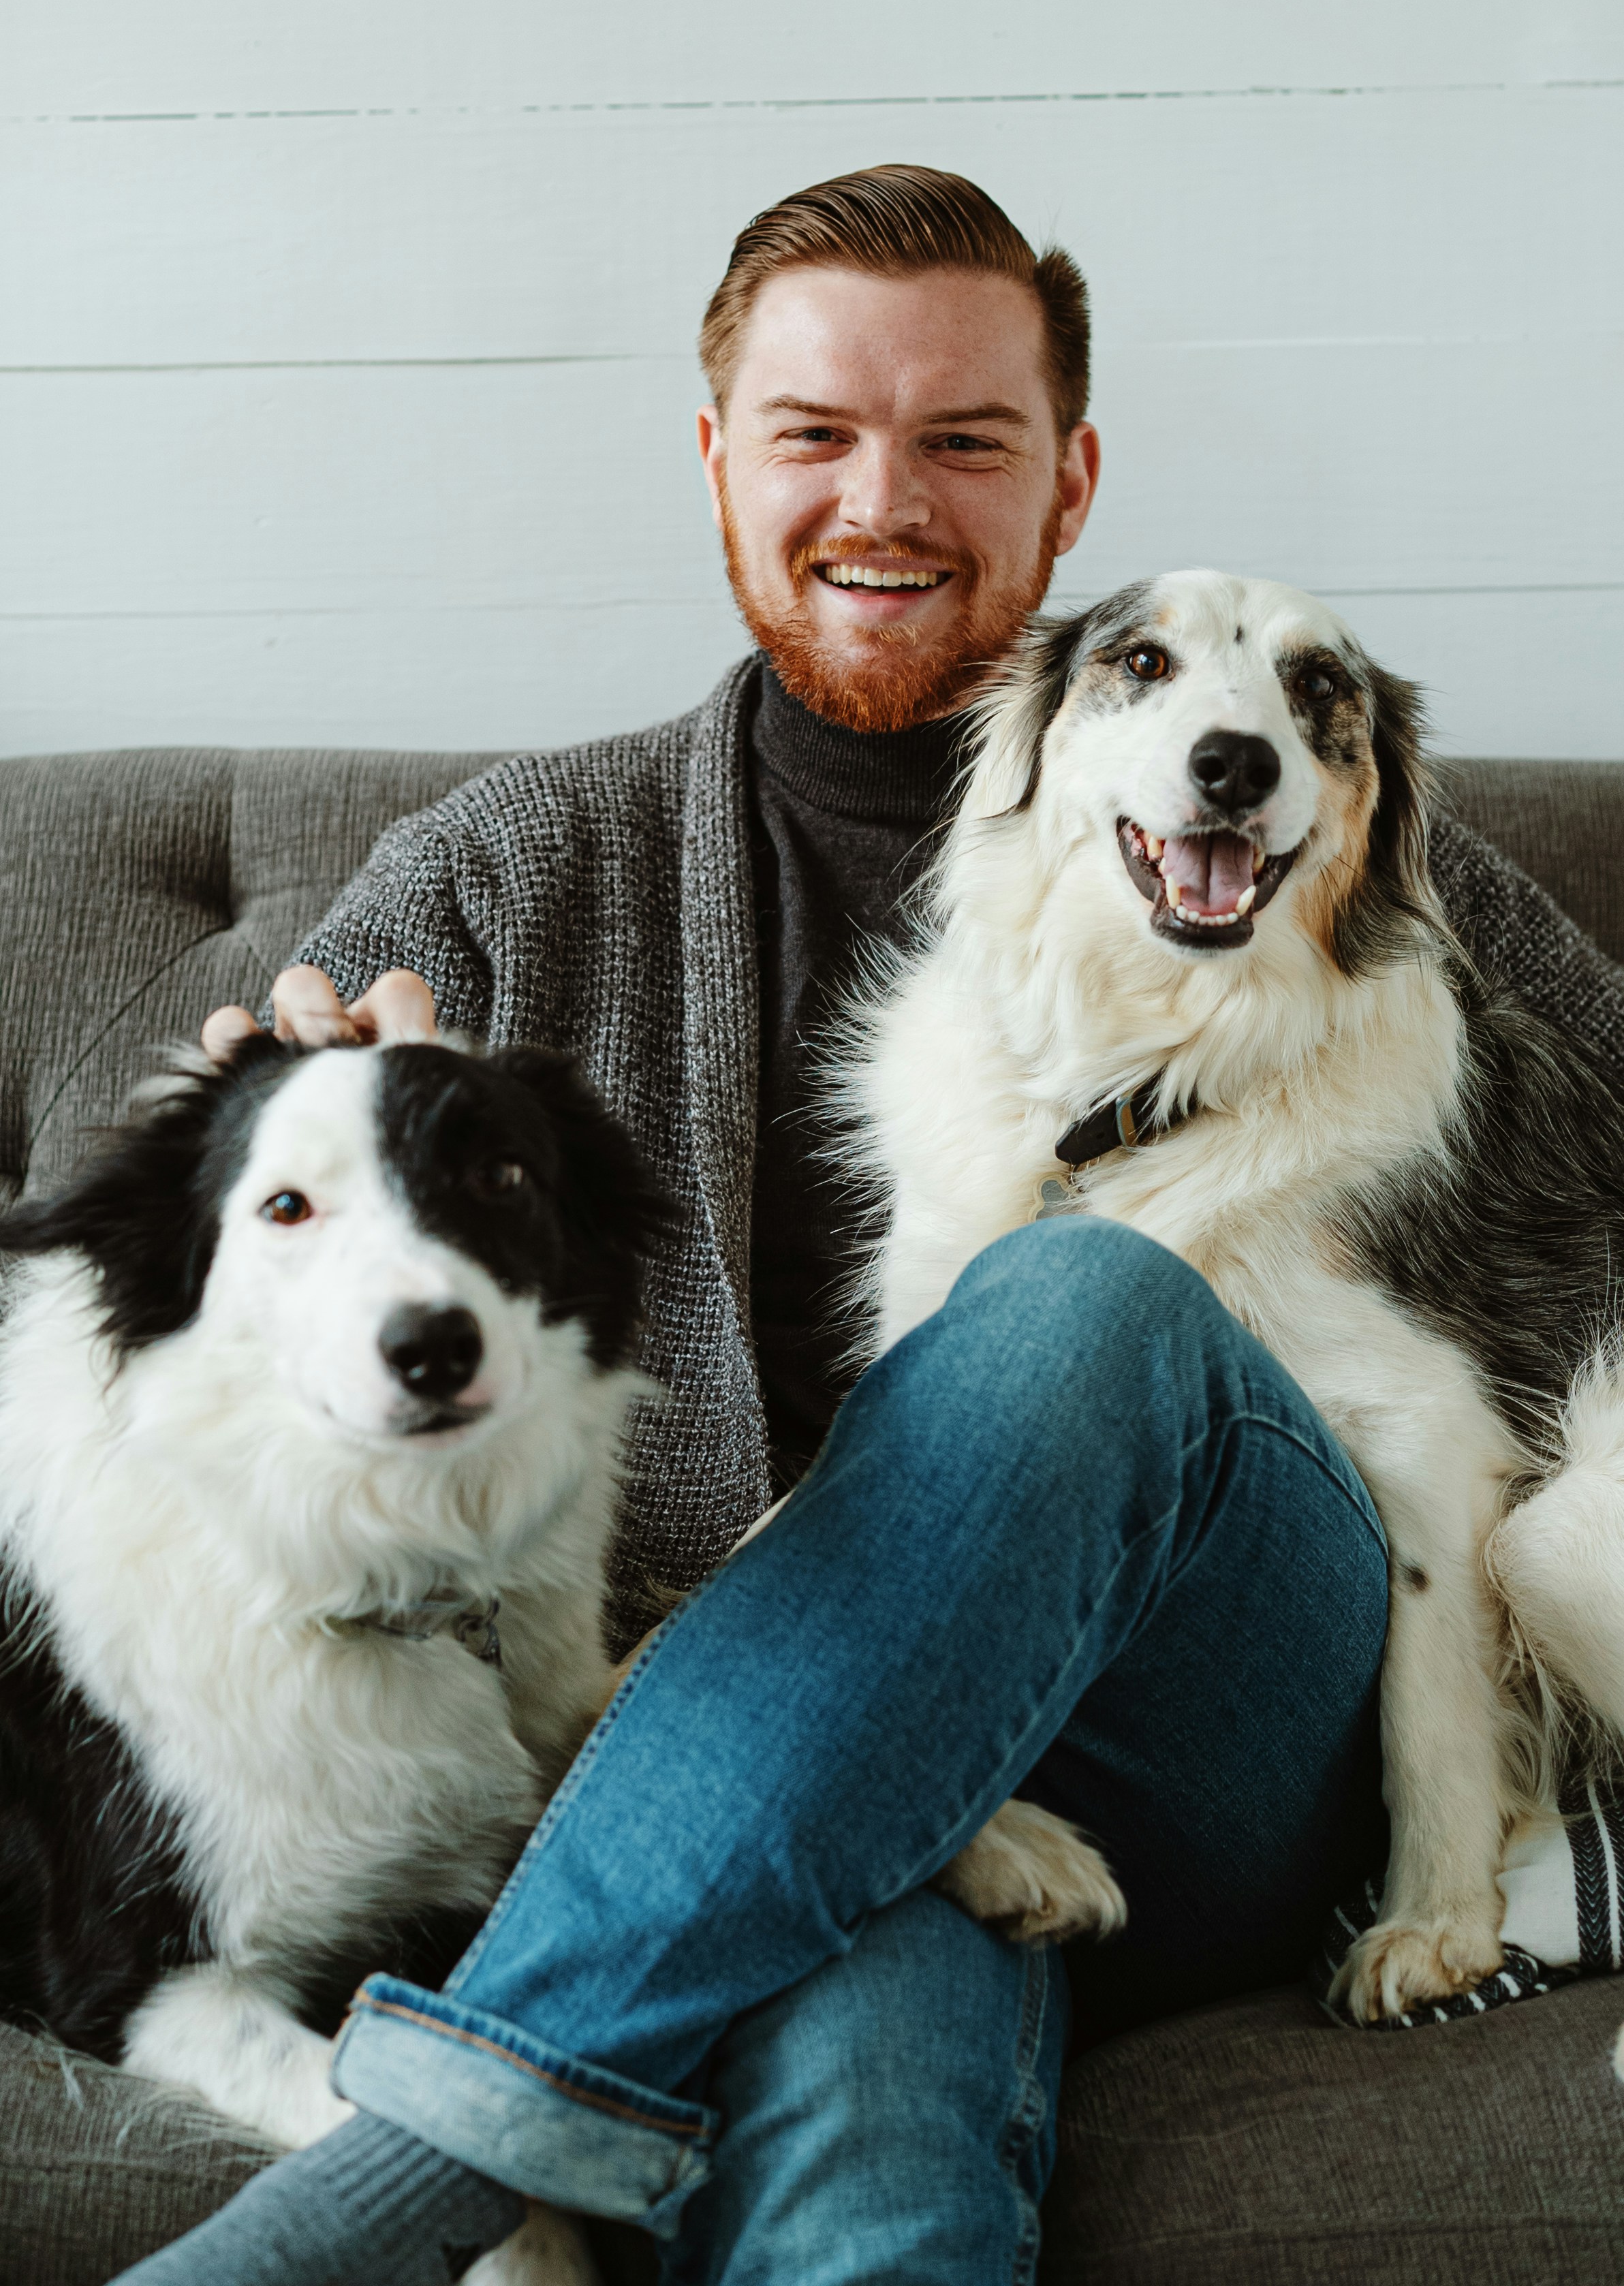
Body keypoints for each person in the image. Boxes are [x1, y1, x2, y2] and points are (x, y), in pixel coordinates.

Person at [125, 166, 1624, 2286]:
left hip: (1232, 1736)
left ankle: (404, 2173)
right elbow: (196, 1211)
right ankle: (545, 2103)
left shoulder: (1335, 844)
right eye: (817, 433)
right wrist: (285, 1108)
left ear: (1071, 474)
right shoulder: (516, 867)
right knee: (856, 2115)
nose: (884, 501)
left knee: (1075, 1301)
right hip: (799, 1801)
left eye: (966, 439)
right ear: (719, 455)